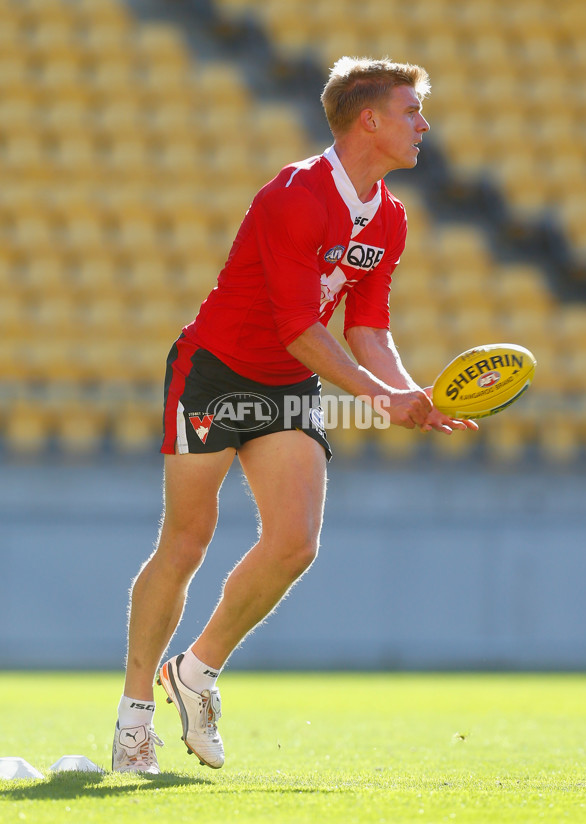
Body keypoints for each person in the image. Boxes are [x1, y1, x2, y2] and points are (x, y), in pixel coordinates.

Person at [112, 56, 478, 774]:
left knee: (295, 543)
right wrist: (380, 397)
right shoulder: (294, 196)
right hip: (215, 374)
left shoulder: (392, 218)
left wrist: (412, 392)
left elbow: (367, 327)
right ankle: (133, 718)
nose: (423, 124)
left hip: (289, 384)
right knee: (186, 542)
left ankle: (195, 672)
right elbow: (298, 327)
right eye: (412, 111)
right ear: (368, 120)